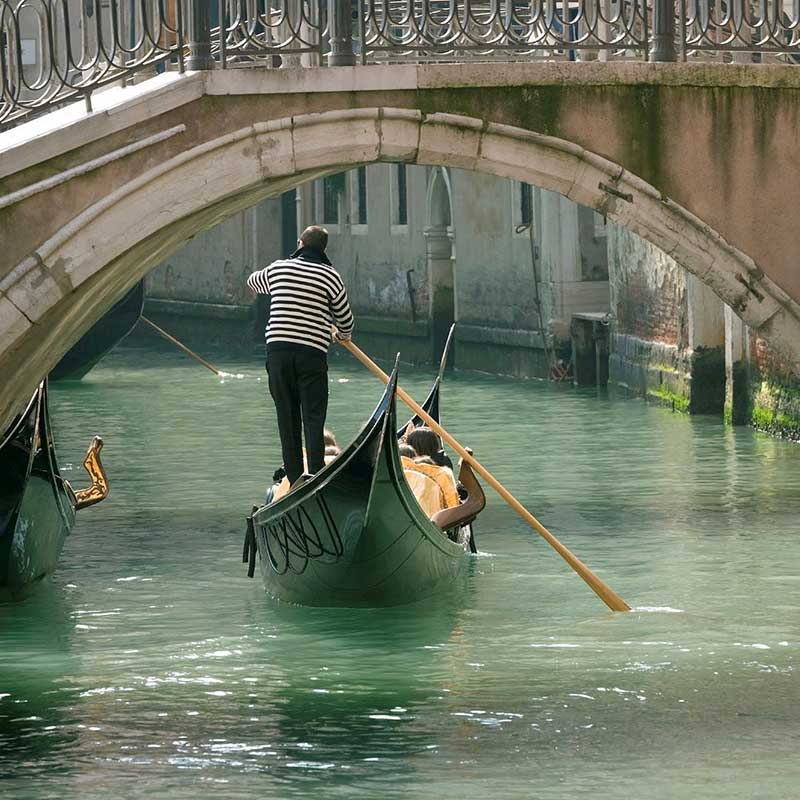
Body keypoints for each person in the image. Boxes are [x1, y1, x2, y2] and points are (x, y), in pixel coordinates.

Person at [247, 226, 354, 485]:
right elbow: (346, 320)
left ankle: (295, 479)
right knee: (313, 418)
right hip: (311, 355)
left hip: (279, 354)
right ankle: (315, 474)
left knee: (287, 417)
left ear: (300, 243)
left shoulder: (279, 268)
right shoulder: (331, 277)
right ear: (323, 249)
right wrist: (342, 335)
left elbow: (252, 281)